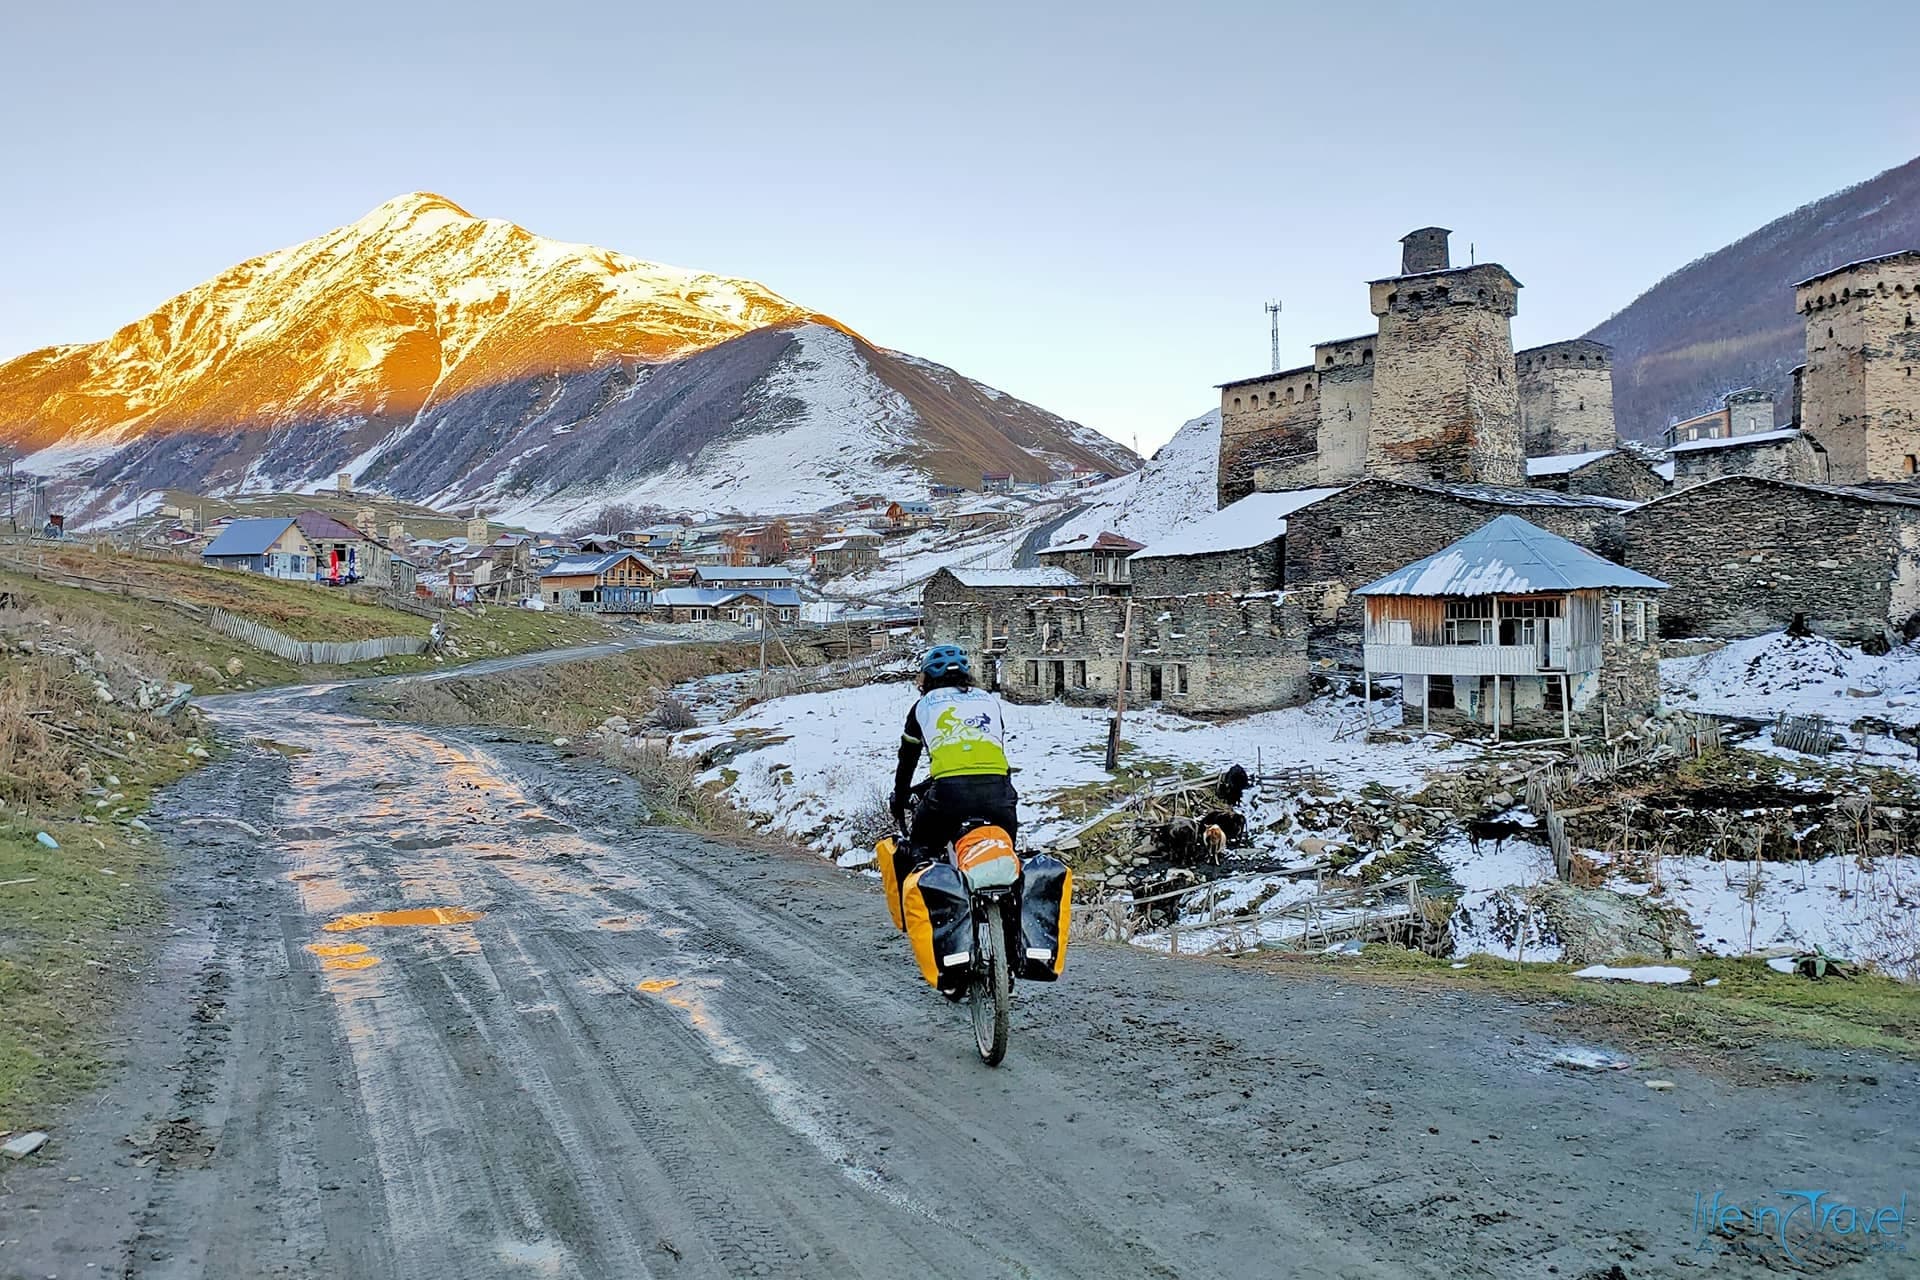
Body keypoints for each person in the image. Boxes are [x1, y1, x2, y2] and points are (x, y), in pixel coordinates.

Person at [890, 645, 1018, 890]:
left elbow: (907, 760)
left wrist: (900, 796)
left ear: (926, 678)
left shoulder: (923, 706)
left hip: (949, 795)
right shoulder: (989, 700)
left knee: (920, 851)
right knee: (1008, 855)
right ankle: (1013, 920)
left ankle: (930, 917)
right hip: (999, 792)